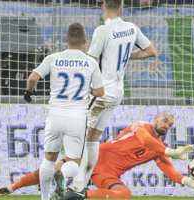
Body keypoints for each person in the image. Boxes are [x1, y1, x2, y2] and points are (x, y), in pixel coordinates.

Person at [0, 112, 194, 199]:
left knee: (125, 194)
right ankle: (11, 188)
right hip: (93, 156)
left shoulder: (158, 150)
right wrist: (171, 151)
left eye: (170, 125)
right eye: (165, 121)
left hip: (107, 174)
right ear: (156, 119)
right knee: (52, 170)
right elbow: (145, 141)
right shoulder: (140, 126)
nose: (167, 126)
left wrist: (187, 180)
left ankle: (81, 195)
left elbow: (169, 170)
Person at [67, 0, 158, 198]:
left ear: (103, 7)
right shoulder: (131, 28)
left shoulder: (102, 31)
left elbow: (91, 62)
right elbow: (151, 51)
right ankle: (82, 184)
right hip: (117, 93)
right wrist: (126, 57)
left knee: (78, 137)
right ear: (121, 9)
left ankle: (77, 187)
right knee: (92, 139)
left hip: (101, 93)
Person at [20, 22, 104, 200]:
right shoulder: (91, 62)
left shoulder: (54, 58)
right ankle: (62, 176)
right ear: (84, 41)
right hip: (77, 117)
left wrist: (29, 91)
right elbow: (99, 92)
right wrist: (85, 90)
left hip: (55, 115)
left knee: (49, 158)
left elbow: (33, 77)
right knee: (74, 162)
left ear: (66, 39)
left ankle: (44, 198)